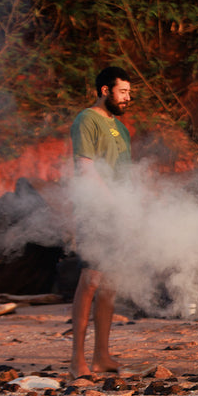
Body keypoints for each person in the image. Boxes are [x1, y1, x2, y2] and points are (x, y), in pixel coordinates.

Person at [69, 66, 132, 378]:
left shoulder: (120, 128)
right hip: (96, 211)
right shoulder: (87, 119)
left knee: (111, 282)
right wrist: (112, 206)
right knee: (91, 279)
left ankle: (102, 356)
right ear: (105, 90)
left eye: (129, 93)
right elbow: (86, 168)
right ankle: (77, 361)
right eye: (123, 92)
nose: (127, 98)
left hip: (120, 211)